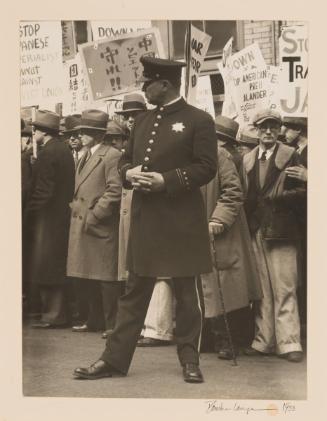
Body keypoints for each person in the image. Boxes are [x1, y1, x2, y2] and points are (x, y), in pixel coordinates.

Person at [73, 56, 217, 383]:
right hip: (147, 218)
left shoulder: (199, 120)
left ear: (164, 84)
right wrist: (129, 173)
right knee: (134, 293)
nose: (143, 88)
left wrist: (167, 181)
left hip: (182, 221)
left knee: (186, 295)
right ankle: (113, 360)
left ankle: (190, 361)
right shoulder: (141, 122)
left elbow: (207, 167)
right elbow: (124, 162)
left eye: (147, 82)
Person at [241, 109, 305, 363]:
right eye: (263, 127)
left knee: (285, 286)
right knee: (262, 289)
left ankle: (289, 342)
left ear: (279, 130)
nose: (268, 131)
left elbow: (305, 191)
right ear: (256, 130)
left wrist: (277, 199)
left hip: (282, 230)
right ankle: (264, 340)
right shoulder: (247, 159)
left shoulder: (291, 156)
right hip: (256, 229)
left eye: (273, 126)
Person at [115, 94, 175, 348]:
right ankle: (142, 327)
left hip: (160, 209)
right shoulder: (134, 138)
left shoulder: (158, 134)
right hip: (137, 212)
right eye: (126, 116)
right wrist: (127, 171)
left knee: (161, 273)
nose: (130, 120)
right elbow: (123, 164)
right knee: (138, 272)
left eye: (134, 114)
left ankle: (159, 328)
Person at [201, 145, 262, 359]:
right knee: (203, 285)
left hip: (221, 228)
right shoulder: (182, 156)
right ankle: (208, 336)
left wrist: (220, 217)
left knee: (227, 285)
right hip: (194, 229)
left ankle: (229, 339)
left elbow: (233, 191)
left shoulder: (219, 155)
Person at [67, 110, 123, 339]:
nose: (81, 134)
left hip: (99, 224)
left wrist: (96, 214)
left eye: (85, 131)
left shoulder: (112, 155)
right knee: (87, 273)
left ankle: (112, 324)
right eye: (81, 131)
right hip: (84, 222)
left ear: (98, 134)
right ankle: (94, 320)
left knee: (106, 277)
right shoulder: (85, 155)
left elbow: (115, 189)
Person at [24, 110, 75, 328]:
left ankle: (52, 315)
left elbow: (44, 190)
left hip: (47, 217)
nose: (32, 133)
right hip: (61, 215)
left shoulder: (47, 153)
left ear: (41, 132)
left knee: (46, 266)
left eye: (34, 129)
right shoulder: (63, 150)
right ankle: (57, 313)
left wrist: (31, 212)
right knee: (56, 265)